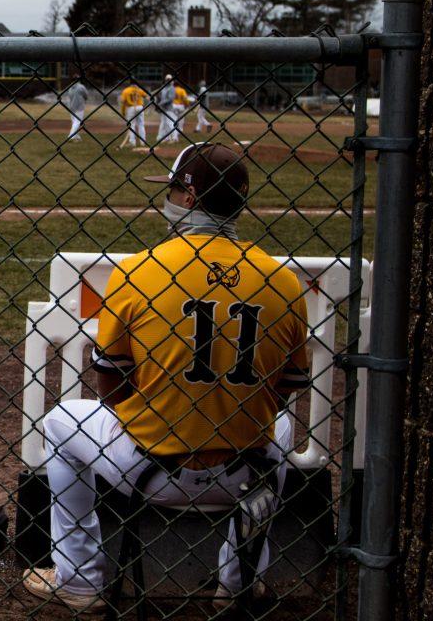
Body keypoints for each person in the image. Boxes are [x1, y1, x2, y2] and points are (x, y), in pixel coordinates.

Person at [24, 143, 309, 613]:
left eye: (175, 189)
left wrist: (159, 411)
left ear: (191, 197)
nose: (170, 198)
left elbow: (110, 384)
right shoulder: (281, 279)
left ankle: (78, 579)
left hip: (146, 469)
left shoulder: (140, 269)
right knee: (279, 429)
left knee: (60, 422)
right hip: (244, 470)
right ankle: (237, 582)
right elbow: (288, 387)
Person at [118, 84, 148, 148]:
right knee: (141, 124)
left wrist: (123, 112)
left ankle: (132, 142)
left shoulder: (126, 91)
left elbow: (122, 102)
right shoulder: (139, 90)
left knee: (132, 125)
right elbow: (146, 96)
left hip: (131, 108)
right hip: (140, 107)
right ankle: (143, 142)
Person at [155, 75, 179, 146]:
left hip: (168, 109)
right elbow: (160, 97)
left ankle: (175, 138)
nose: (167, 81)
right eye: (167, 79)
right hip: (163, 109)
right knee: (163, 123)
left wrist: (161, 103)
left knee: (170, 123)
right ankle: (163, 138)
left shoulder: (171, 88)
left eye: (169, 80)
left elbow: (170, 98)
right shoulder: (164, 88)